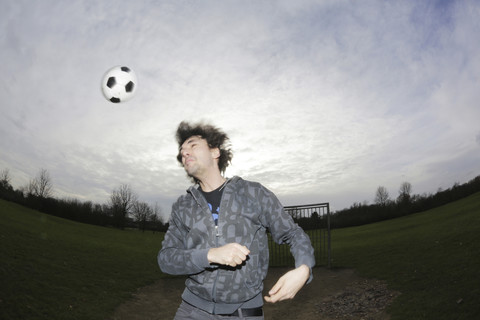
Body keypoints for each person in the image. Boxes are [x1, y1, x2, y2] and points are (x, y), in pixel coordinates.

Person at [158, 121, 315, 319]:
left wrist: (304, 268)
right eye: (182, 150)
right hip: (192, 310)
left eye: (193, 145)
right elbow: (166, 259)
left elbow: (293, 233)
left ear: (215, 152)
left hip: (244, 313)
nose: (184, 152)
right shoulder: (182, 206)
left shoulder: (253, 193)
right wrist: (210, 255)